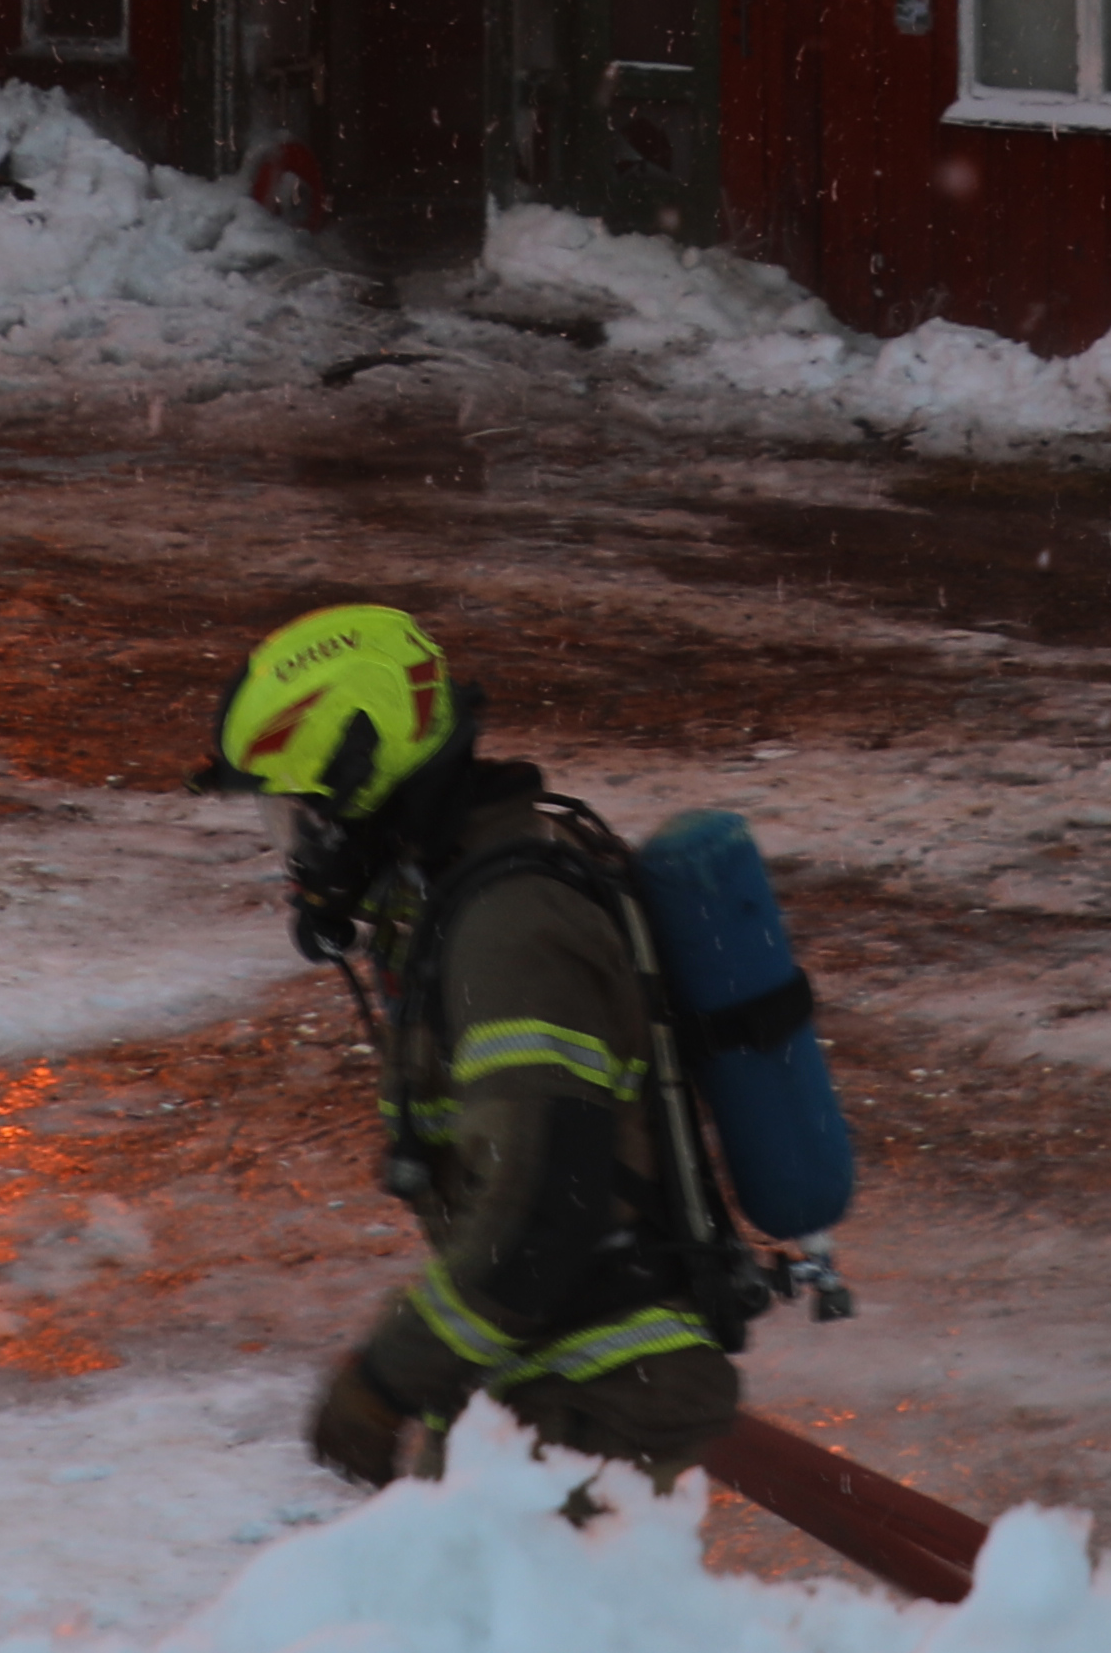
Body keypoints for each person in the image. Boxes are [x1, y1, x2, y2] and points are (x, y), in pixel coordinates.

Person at [206, 601, 747, 1487]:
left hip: (598, 1407)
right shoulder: (458, 901)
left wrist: (386, 1382)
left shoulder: (510, 930)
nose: (294, 858)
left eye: (296, 820)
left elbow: (543, 1213)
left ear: (360, 783)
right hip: (554, 1393)